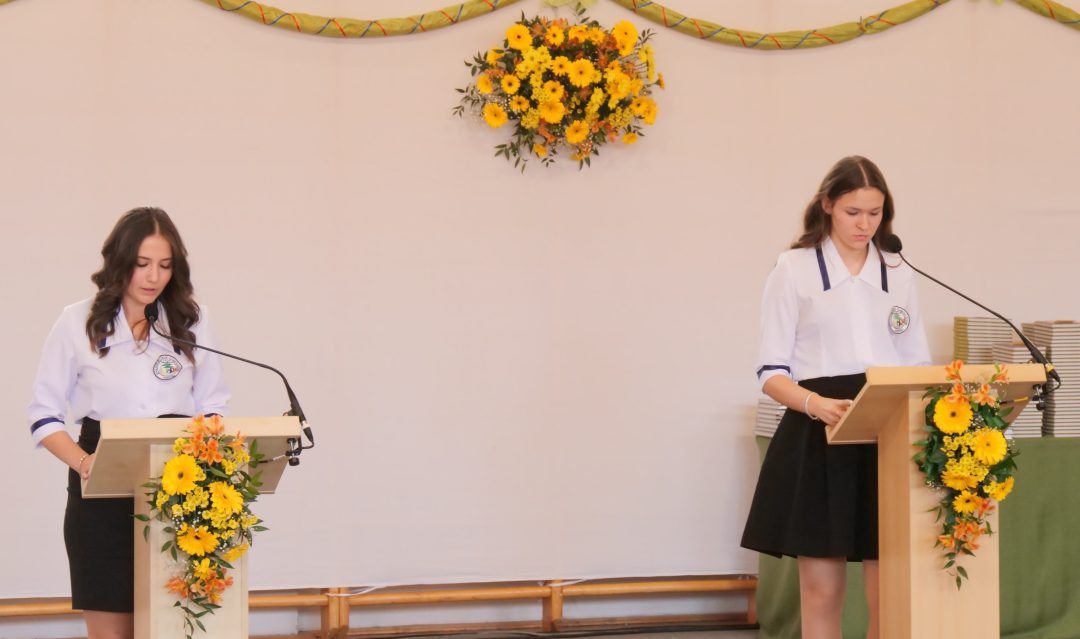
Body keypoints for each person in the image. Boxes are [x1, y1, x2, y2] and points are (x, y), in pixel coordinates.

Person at [740, 156, 931, 639]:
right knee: (822, 592)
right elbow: (770, 372)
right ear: (827, 205)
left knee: (890, 594)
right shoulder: (793, 268)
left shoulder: (898, 270)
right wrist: (816, 404)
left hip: (886, 434)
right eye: (853, 212)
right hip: (818, 432)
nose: (864, 225)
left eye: (875, 213)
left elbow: (916, 362)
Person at [28, 207, 229, 639]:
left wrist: (207, 460)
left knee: (171, 628)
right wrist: (85, 463)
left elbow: (213, 406)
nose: (154, 277)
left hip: (180, 488)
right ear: (119, 261)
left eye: (165, 265)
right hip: (101, 488)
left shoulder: (191, 320)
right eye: (142, 264)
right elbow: (43, 415)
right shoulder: (76, 321)